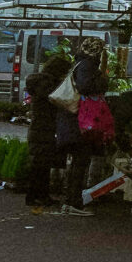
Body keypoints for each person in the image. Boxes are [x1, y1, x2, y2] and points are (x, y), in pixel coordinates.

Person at [58, 39, 112, 216]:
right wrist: (103, 82)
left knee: (77, 163)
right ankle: (74, 202)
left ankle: (70, 201)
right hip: (81, 123)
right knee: (80, 162)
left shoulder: (80, 62)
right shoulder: (87, 65)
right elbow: (85, 86)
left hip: (74, 121)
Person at [23, 48, 72, 214]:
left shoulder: (39, 82)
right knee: (42, 164)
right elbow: (56, 101)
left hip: (38, 127)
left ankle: (34, 195)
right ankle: (40, 195)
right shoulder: (49, 85)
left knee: (38, 164)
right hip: (45, 128)